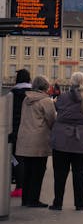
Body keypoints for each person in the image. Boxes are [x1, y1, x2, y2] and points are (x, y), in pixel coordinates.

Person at [49, 72, 83, 211]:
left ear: (71, 83)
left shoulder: (62, 97)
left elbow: (55, 110)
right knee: (80, 174)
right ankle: (79, 204)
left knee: (60, 174)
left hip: (62, 140)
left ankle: (58, 203)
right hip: (82, 141)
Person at [16, 75, 56, 208]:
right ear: (45, 87)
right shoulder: (46, 101)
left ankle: (25, 199)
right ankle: (33, 200)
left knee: (27, 171)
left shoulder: (26, 99)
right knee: (38, 171)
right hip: (39, 141)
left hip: (25, 139)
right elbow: (51, 120)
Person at [8, 69, 32, 199]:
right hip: (31, 130)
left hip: (15, 130)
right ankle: (29, 187)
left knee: (17, 159)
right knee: (29, 159)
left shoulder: (12, 94)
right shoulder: (33, 93)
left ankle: (19, 186)